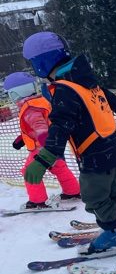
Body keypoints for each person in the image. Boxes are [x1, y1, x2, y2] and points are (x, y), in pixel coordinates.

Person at [21, 31, 116, 252]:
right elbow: (105, 93)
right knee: (115, 190)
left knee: (94, 198)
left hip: (94, 156)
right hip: (112, 148)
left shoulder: (65, 89)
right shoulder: (82, 78)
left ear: (41, 63)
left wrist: (43, 159)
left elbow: (60, 125)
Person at [4, 71, 80, 209]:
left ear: (14, 94)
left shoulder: (30, 108)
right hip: (53, 145)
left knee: (29, 171)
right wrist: (21, 139)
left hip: (42, 148)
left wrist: (46, 149)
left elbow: (41, 129)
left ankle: (37, 200)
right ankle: (72, 191)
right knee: (59, 167)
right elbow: (39, 125)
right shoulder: (41, 102)